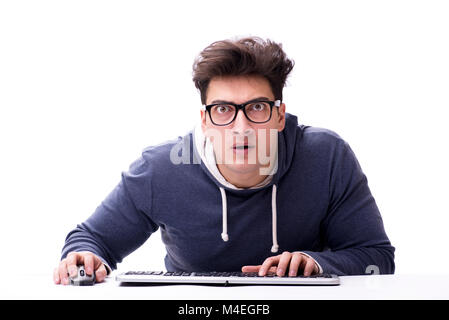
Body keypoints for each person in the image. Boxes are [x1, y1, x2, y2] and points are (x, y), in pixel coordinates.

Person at [54, 36, 395, 285]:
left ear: (279, 116)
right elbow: (91, 240)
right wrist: (85, 258)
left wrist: (315, 262)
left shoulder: (326, 157)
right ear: (204, 121)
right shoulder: (162, 170)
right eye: (223, 110)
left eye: (257, 108)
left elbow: (378, 258)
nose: (241, 127)